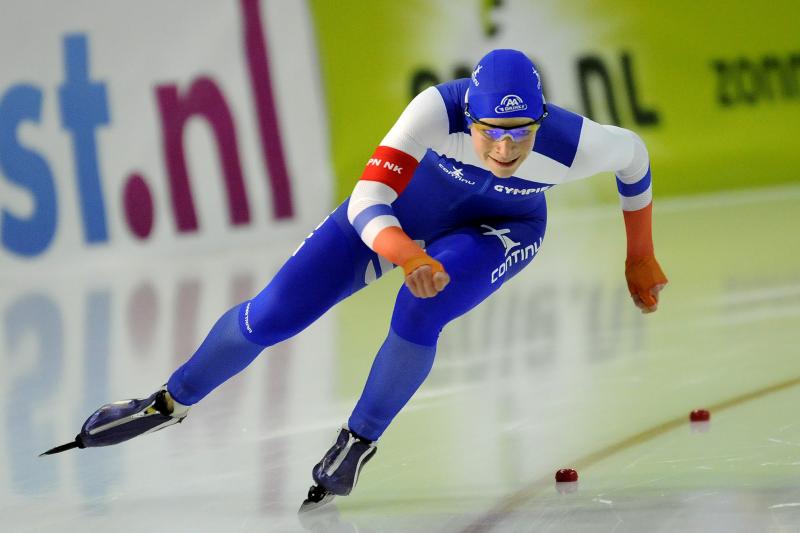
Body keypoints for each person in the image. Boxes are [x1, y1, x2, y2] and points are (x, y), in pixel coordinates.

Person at [41, 49, 667, 510]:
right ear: (467, 117)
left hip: (502, 228)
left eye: (521, 134)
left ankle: (359, 439)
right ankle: (169, 401)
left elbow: (635, 160)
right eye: (489, 133)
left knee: (422, 311)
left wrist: (639, 252)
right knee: (271, 316)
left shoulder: (574, 143)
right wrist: (406, 253)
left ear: (542, 121)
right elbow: (369, 198)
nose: (505, 150)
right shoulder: (433, 111)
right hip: (401, 216)